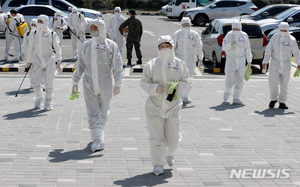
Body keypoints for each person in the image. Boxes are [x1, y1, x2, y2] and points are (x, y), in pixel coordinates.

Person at [140, 35, 190, 176]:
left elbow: (187, 81)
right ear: (158, 48)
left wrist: (178, 87)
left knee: (173, 137)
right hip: (154, 106)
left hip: (173, 106)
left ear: (172, 46)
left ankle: (169, 153)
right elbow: (144, 82)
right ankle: (158, 164)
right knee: (156, 137)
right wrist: (154, 88)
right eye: (161, 46)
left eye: (167, 46)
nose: (165, 49)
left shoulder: (179, 64)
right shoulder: (151, 64)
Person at [72, 19, 123, 152]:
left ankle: (100, 133)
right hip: (89, 84)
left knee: (104, 111)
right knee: (92, 111)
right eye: (92, 28)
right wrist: (75, 80)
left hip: (105, 83)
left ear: (102, 28)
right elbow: (80, 65)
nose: (93, 30)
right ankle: (97, 139)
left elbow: (117, 66)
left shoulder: (111, 45)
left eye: (96, 28)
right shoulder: (86, 45)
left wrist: (118, 83)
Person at [27, 15, 62, 110]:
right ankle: (39, 97)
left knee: (49, 83)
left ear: (46, 22)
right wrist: (28, 61)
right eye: (38, 21)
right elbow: (30, 48)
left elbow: (57, 47)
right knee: (35, 82)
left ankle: (48, 101)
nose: (38, 23)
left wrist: (58, 61)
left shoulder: (51, 33)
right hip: (37, 59)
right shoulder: (33, 33)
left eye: (41, 21)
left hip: (49, 59)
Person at [262, 22, 300, 109]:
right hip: (275, 63)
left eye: (285, 30)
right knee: (273, 82)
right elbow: (268, 50)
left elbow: (296, 53)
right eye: (281, 30)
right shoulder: (274, 38)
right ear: (279, 30)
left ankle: (282, 102)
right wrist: (265, 62)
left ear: (287, 30)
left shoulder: (292, 39)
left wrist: (299, 63)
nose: (283, 32)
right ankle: (273, 99)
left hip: (286, 64)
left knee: (284, 84)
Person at [172, 17, 203, 104]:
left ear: (190, 24)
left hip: (190, 60)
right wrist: (171, 58)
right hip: (179, 59)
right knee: (178, 78)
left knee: (189, 78)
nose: (186, 26)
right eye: (184, 24)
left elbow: (199, 46)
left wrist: (200, 58)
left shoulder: (194, 34)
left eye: (187, 24)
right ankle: (178, 95)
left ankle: (185, 95)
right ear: (181, 24)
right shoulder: (177, 34)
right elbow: (172, 46)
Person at [222, 21, 252, 105]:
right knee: (230, 79)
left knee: (240, 80)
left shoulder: (244, 35)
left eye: (237, 28)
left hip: (241, 60)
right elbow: (224, 47)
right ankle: (227, 92)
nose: (236, 30)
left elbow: (248, 48)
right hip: (231, 60)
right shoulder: (229, 35)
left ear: (240, 28)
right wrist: (230, 45)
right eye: (234, 28)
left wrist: (249, 60)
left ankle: (236, 97)